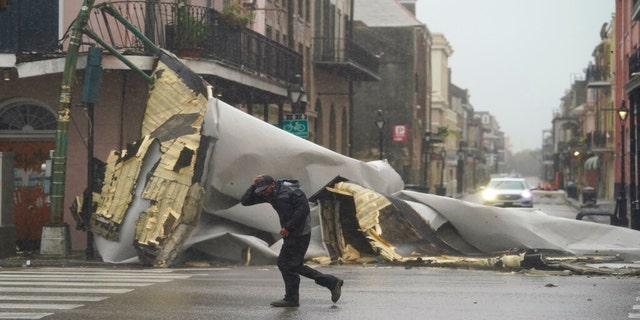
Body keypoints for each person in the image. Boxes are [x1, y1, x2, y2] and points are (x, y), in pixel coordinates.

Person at [240, 174, 344, 307]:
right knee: (288, 264)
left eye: (265, 189)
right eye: (261, 191)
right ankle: (293, 298)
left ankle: (329, 282)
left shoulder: (292, 191)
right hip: (290, 233)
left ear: (272, 184)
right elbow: (245, 201)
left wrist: (288, 227)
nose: (263, 193)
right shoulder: (269, 193)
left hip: (300, 232)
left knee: (289, 264)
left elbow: (303, 210)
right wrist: (253, 186)